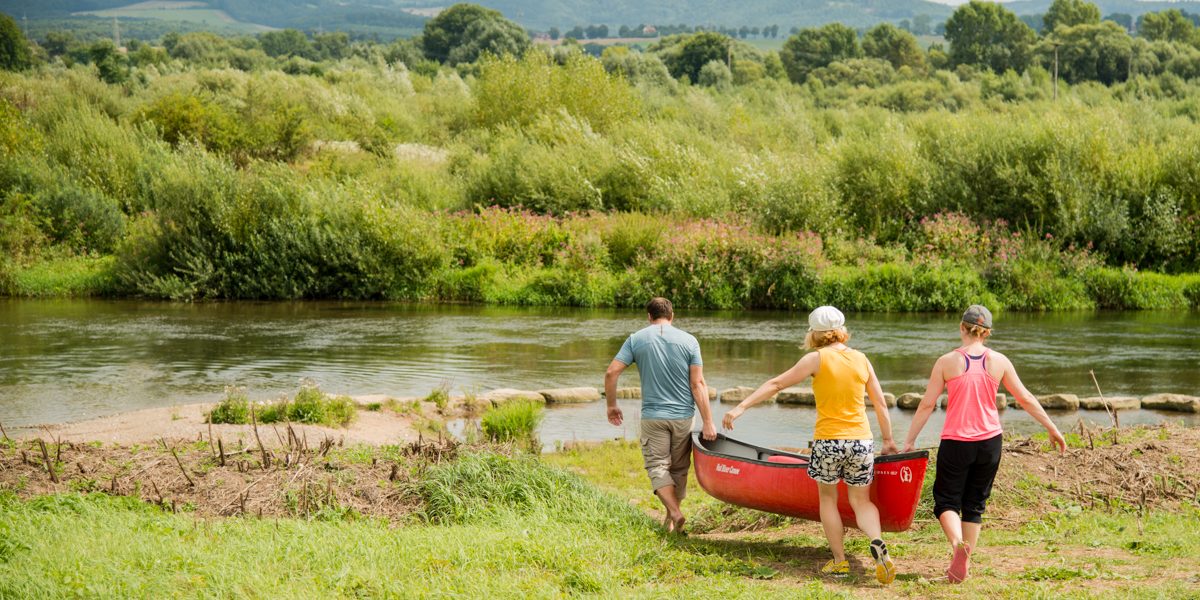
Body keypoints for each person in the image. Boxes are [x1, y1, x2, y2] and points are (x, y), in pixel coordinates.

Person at [723, 306, 898, 584]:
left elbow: (777, 383)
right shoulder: (861, 359)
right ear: (842, 331)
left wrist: (741, 407)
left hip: (829, 441)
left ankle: (840, 561)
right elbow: (880, 403)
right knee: (861, 501)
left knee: (828, 500)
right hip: (861, 441)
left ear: (815, 333)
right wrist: (888, 440)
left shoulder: (817, 359)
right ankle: (877, 541)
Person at [902, 304, 1066, 584]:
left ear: (961, 328)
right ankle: (965, 563)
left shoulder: (946, 361)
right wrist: (1052, 428)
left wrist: (909, 440)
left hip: (956, 442)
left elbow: (928, 403)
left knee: (946, 502)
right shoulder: (999, 361)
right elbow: (1025, 398)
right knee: (975, 504)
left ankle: (957, 547)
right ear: (987, 332)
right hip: (990, 442)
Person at [605, 297, 717, 534]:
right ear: (672, 316)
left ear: (649, 316)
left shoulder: (636, 339)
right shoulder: (690, 341)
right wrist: (708, 421)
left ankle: (674, 514)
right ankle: (673, 519)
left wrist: (612, 405)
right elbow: (698, 384)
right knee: (678, 469)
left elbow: (612, 372)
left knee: (657, 466)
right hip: (683, 417)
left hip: (653, 416)